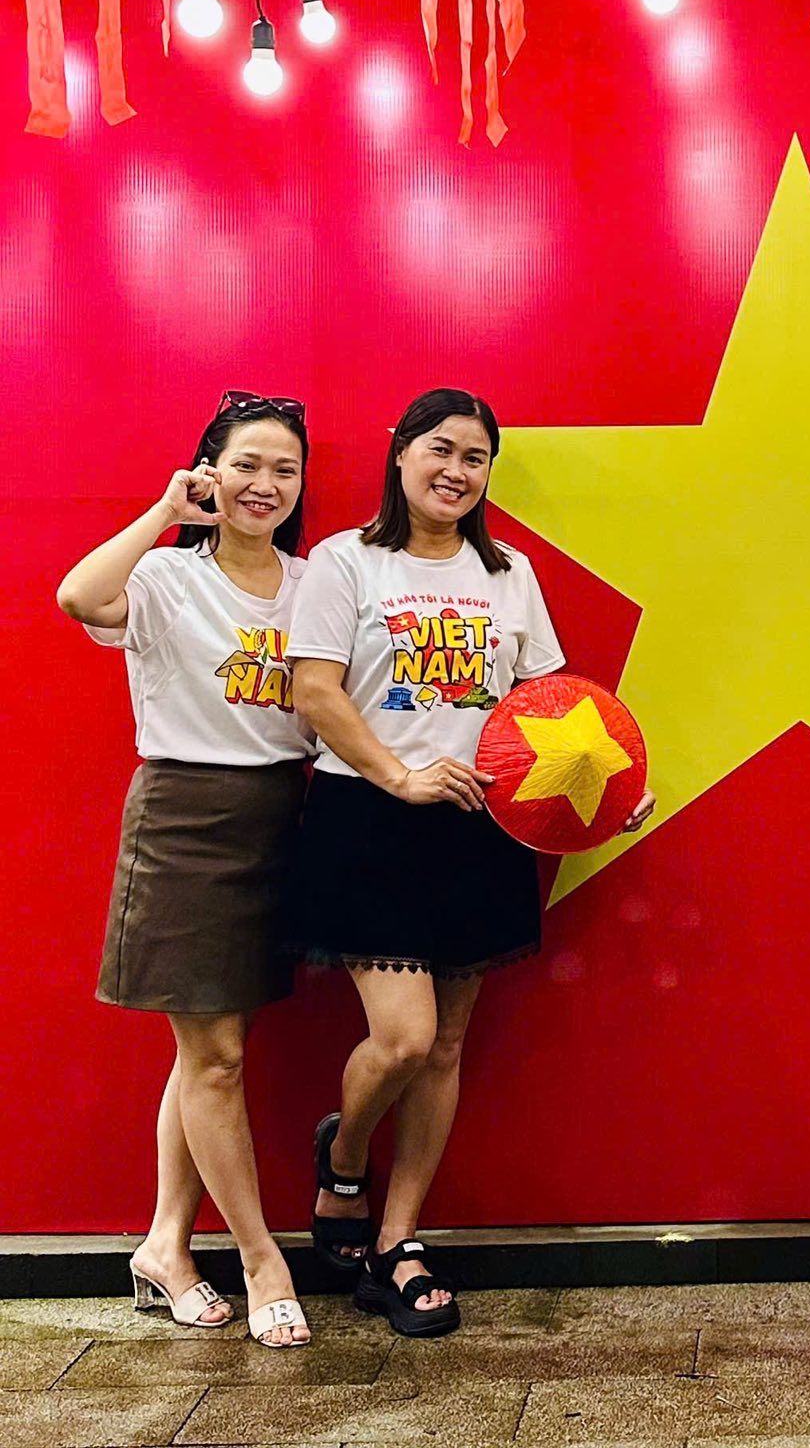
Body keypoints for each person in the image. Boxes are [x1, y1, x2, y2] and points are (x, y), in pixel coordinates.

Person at [286, 387, 653, 1339]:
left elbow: (549, 710)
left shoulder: (508, 572)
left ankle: (398, 1243)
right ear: (401, 452)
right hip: (368, 820)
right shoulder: (344, 561)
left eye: (476, 458)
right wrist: (400, 776)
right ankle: (345, 1161)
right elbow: (314, 691)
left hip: (477, 829)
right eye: (441, 449)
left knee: (446, 1047)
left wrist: (607, 790)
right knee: (405, 1038)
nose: (456, 471)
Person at [57, 392, 313, 1349]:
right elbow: (79, 598)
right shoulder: (167, 575)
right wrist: (167, 512)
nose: (264, 485)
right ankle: (259, 1258)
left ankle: (165, 1244)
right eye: (246, 464)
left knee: (208, 1054)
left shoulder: (313, 580)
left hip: (281, 819)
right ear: (210, 470)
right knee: (218, 1058)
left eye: (284, 469)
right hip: (185, 821)